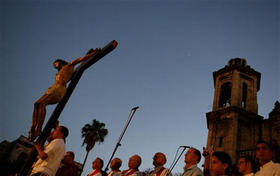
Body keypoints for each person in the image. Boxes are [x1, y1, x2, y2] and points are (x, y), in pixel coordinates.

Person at [28, 49, 99, 141]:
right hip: (52, 88)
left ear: (60, 62)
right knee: (37, 104)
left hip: (59, 89)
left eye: (56, 63)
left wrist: (93, 53)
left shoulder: (69, 65)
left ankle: (38, 129)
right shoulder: (58, 73)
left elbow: (81, 59)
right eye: (54, 65)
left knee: (41, 104)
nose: (55, 65)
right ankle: (34, 126)